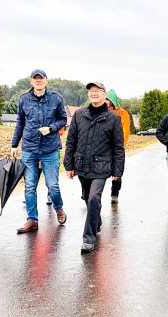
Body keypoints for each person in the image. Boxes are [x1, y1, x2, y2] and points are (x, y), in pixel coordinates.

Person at [64, 82, 125, 253]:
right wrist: (69, 164)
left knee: (93, 198)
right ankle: (96, 221)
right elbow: (71, 141)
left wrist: (117, 170)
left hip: (101, 165)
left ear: (105, 95)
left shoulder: (113, 118)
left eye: (98, 91)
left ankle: (88, 239)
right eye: (91, 91)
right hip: (82, 164)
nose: (94, 93)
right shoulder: (79, 114)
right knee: (86, 196)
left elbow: (118, 146)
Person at [11, 69, 68, 233]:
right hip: (29, 147)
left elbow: (63, 120)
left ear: (46, 81)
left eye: (41, 78)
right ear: (31, 82)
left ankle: (59, 208)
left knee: (53, 185)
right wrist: (14, 144)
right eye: (35, 79)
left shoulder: (56, 98)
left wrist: (51, 128)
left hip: (49, 148)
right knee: (29, 186)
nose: (38, 81)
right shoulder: (24, 99)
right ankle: (32, 220)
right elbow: (20, 123)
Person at [105, 89, 131, 204]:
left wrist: (120, 145)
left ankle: (114, 194)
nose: (106, 102)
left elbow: (125, 130)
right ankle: (90, 192)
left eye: (108, 99)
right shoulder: (101, 111)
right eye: (105, 99)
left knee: (117, 170)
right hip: (103, 147)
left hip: (116, 146)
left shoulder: (122, 113)